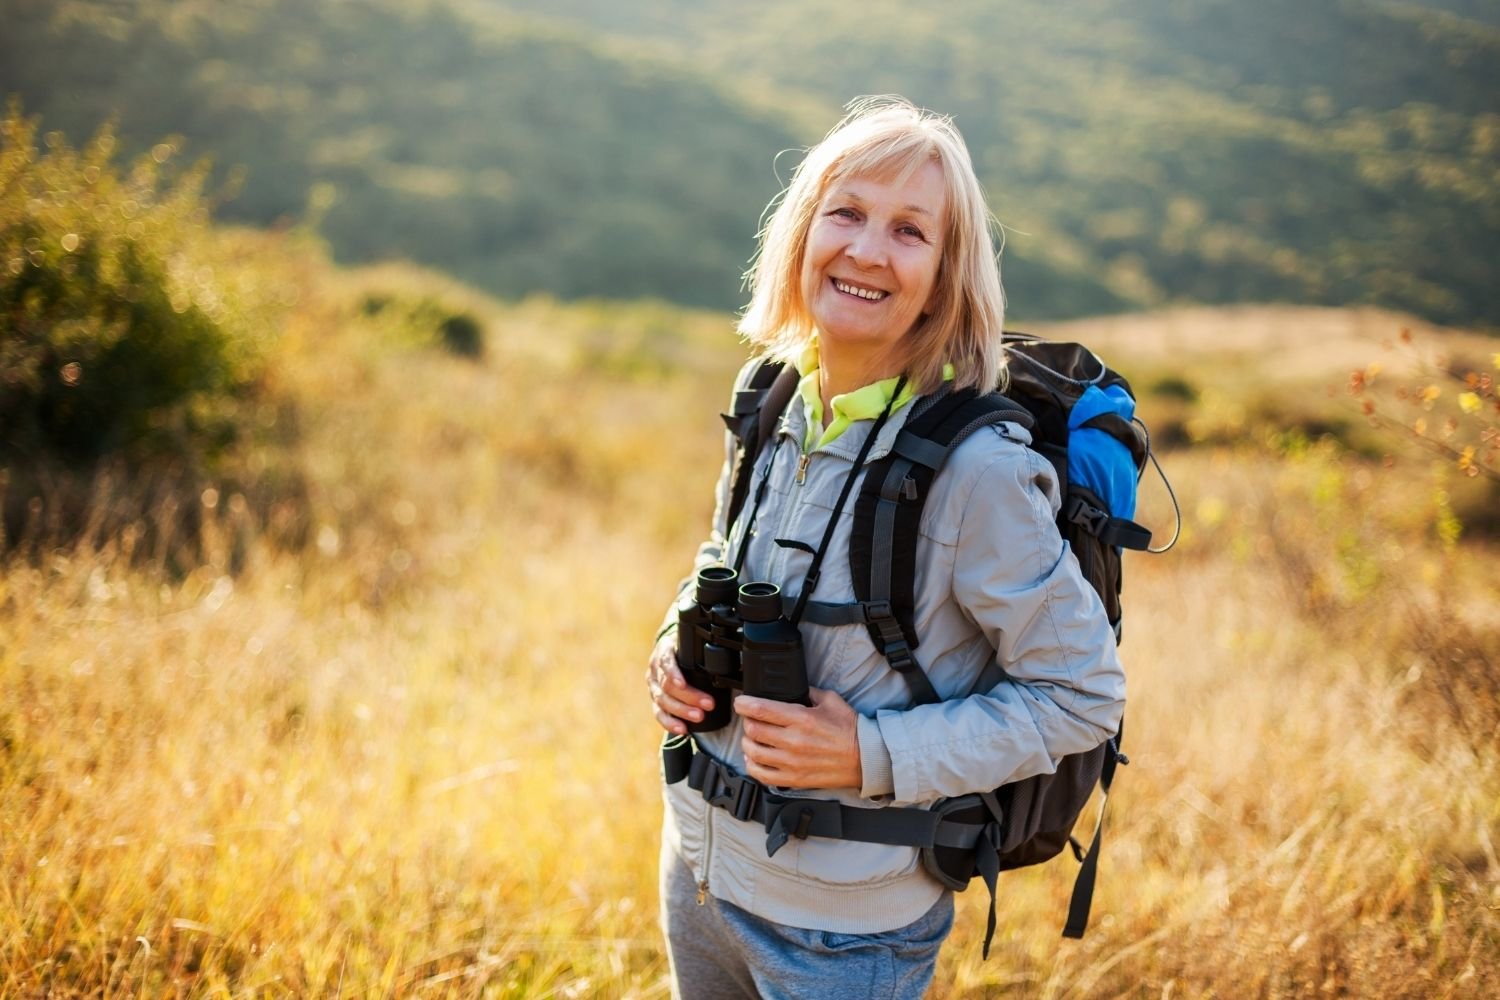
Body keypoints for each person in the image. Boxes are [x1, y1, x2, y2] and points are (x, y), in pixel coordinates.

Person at [645, 96, 1125, 1000]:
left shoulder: (977, 473)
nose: (866, 250)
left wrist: (871, 755)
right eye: (847, 213)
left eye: (910, 231)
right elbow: (724, 558)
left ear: (948, 274)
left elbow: (1082, 695)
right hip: (699, 872)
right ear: (802, 233)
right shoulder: (772, 396)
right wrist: (675, 650)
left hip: (844, 933)